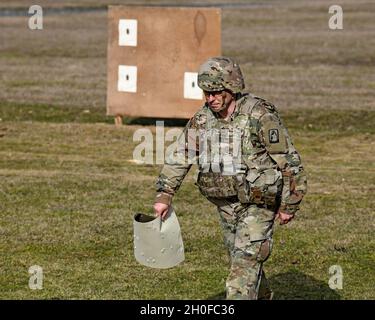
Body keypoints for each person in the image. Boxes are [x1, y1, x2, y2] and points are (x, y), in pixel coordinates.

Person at [153, 56, 307, 300]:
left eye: (215, 93)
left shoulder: (259, 116)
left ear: (231, 88)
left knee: (245, 261)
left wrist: (290, 203)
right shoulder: (203, 119)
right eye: (206, 93)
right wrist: (165, 195)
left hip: (259, 203)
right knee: (242, 258)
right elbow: (181, 154)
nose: (210, 99)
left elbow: (288, 160)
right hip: (226, 204)